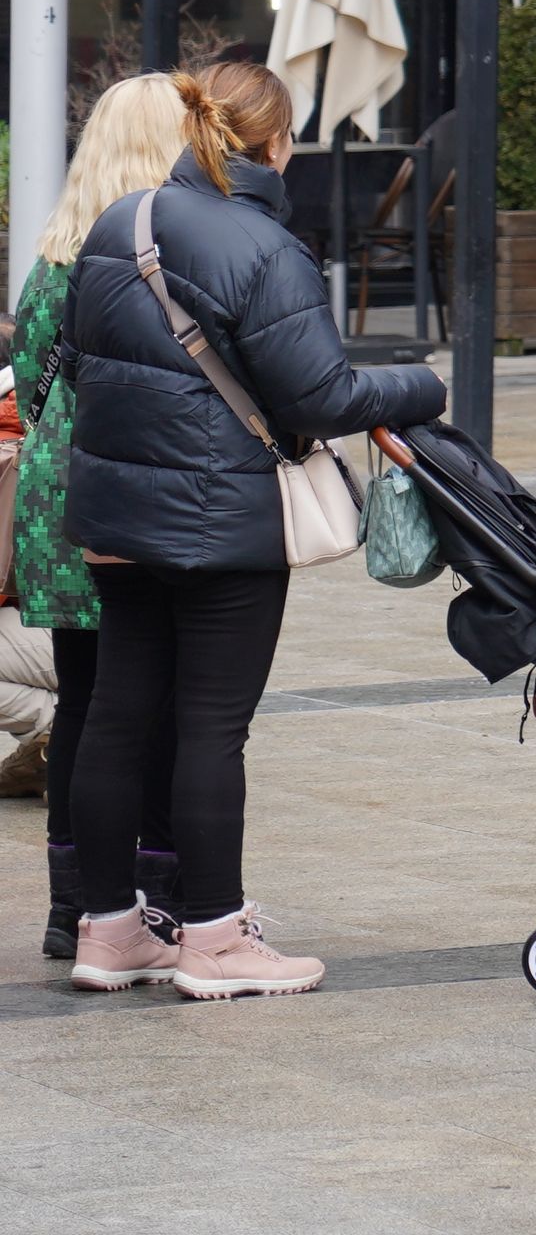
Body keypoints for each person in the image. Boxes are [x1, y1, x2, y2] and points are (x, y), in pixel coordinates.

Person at [62, 64, 446, 999]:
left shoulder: (124, 222)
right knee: (210, 729)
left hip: (117, 515)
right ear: (277, 144)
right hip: (222, 523)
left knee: (117, 714)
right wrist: (421, 385)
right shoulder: (265, 248)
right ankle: (216, 939)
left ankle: (107, 932)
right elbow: (322, 395)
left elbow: (74, 362)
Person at [7, 74, 189, 959]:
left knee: (85, 700)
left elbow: (35, 375)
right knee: (158, 704)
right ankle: (152, 893)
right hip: (137, 487)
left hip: (54, 496)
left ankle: (70, 905)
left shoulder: (53, 258)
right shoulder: (168, 254)